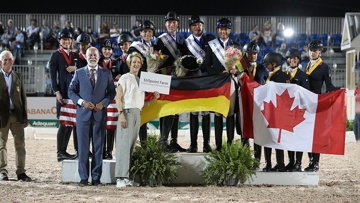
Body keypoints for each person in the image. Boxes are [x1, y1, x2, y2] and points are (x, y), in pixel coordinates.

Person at [68, 47, 116, 187]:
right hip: (83, 116)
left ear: (99, 56)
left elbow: (111, 93)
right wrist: (82, 102)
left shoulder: (106, 73)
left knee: (98, 148)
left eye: (95, 54)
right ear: (86, 56)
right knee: (82, 148)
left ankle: (96, 178)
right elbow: (71, 91)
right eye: (90, 54)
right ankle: (83, 178)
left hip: (99, 115)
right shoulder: (78, 73)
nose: (93, 57)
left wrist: (103, 103)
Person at [115, 52, 159, 188]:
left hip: (137, 113)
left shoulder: (140, 80)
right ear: (129, 63)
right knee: (123, 146)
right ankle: (120, 178)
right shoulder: (124, 77)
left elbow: (140, 103)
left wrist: (154, 99)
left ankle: (126, 176)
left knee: (131, 146)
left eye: (138, 62)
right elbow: (118, 97)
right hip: (127, 113)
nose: (136, 64)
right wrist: (121, 114)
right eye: (134, 62)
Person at [154, 11, 189, 153]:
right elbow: (155, 60)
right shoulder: (160, 40)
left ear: (177, 24)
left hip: (177, 78)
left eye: (174, 22)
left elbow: (186, 57)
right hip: (164, 78)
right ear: (165, 24)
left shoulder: (181, 40)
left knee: (176, 110)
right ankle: (163, 140)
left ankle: (173, 141)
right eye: (169, 22)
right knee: (166, 109)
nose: (171, 24)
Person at [205, 17, 240, 151]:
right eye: (220, 29)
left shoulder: (235, 45)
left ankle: (230, 145)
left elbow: (241, 66)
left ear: (229, 30)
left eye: (225, 29)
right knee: (218, 113)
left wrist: (235, 70)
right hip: (217, 82)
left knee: (230, 112)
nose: (223, 31)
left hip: (230, 82)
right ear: (217, 30)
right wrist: (218, 73)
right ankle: (219, 145)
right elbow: (207, 65)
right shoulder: (211, 44)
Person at [304, 39, 338, 172]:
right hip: (305, 103)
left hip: (316, 103)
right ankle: (310, 160)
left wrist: (336, 91)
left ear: (320, 51)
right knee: (306, 134)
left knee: (315, 134)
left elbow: (328, 85)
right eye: (311, 50)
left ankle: (316, 162)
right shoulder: (305, 65)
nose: (312, 53)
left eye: (315, 50)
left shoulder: (324, 67)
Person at [184, 15, 215, 153]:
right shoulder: (187, 43)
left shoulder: (211, 39)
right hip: (193, 80)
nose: (198, 27)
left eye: (200, 24)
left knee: (207, 112)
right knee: (194, 112)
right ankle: (193, 144)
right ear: (191, 28)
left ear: (203, 26)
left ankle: (207, 144)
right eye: (195, 25)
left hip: (207, 79)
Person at [0, 50, 31, 182]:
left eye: (9, 59)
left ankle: (21, 172)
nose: (7, 62)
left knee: (20, 145)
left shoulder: (18, 76)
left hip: (17, 116)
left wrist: (25, 115)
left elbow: (23, 97)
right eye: (5, 60)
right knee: (1, 145)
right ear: (0, 62)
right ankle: (2, 171)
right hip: (1, 116)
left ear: (13, 61)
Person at [49, 29, 79, 162]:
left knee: (71, 124)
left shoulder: (75, 56)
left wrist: (76, 68)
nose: (67, 41)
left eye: (68, 39)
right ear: (59, 41)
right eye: (64, 39)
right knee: (63, 124)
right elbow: (52, 76)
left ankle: (65, 151)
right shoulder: (55, 55)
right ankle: (60, 151)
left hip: (73, 95)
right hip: (62, 94)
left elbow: (83, 69)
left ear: (71, 41)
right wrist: (56, 92)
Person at [127, 20, 156, 146]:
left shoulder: (154, 48)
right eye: (144, 31)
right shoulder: (135, 47)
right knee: (139, 113)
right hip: (138, 84)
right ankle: (138, 142)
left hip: (151, 83)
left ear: (152, 33)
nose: (147, 34)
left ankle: (147, 143)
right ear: (140, 33)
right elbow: (131, 66)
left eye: (149, 31)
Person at [241, 41, 268, 167]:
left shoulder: (262, 69)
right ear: (246, 54)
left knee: (258, 133)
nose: (253, 56)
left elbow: (268, 85)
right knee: (244, 132)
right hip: (244, 104)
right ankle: (246, 159)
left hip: (258, 105)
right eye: (251, 54)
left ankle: (256, 161)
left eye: (255, 54)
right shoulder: (240, 67)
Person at [262, 51, 290, 172]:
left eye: (267, 64)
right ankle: (268, 163)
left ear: (274, 64)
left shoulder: (283, 77)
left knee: (278, 139)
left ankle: (280, 163)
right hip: (268, 111)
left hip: (278, 112)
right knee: (266, 138)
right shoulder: (268, 76)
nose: (265, 66)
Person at [284, 49, 310, 172]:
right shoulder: (285, 74)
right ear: (288, 60)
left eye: (295, 58)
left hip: (299, 110)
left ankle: (298, 163)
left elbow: (306, 94)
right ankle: (291, 161)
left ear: (298, 60)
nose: (293, 60)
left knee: (298, 137)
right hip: (288, 111)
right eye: (291, 58)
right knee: (289, 137)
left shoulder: (303, 76)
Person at [98, 39, 121, 159]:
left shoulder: (117, 63)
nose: (107, 51)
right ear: (101, 50)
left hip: (112, 100)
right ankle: (100, 150)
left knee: (111, 125)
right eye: (105, 49)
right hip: (100, 99)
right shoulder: (97, 62)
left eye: (109, 49)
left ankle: (109, 151)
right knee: (101, 125)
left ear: (112, 50)